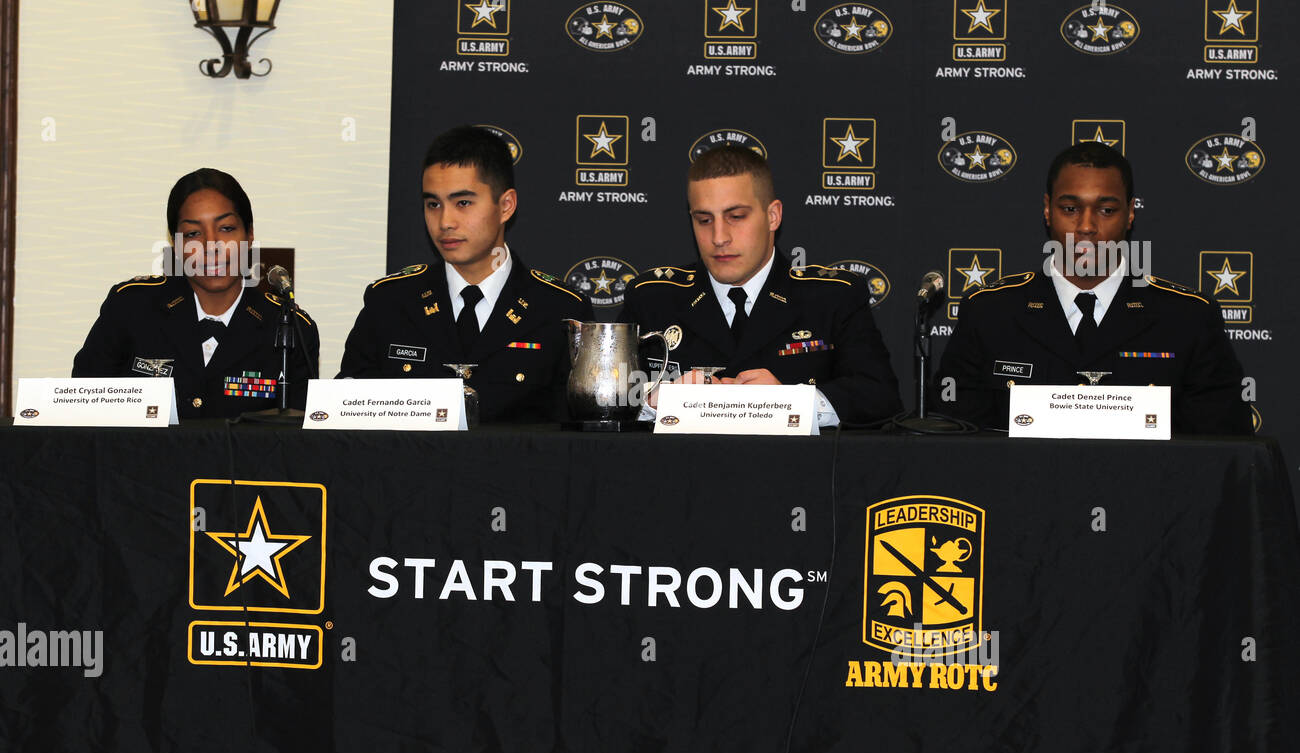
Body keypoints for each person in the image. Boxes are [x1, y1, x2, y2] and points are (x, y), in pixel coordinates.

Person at [934, 143, 1252, 435]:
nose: (1086, 226)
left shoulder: (1187, 317)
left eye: (1106, 210)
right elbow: (952, 441)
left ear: (1130, 213)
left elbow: (1223, 451)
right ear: (1047, 210)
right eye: (1070, 209)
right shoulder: (991, 312)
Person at [620, 145, 901, 427]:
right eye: (704, 220)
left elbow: (880, 397)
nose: (719, 237)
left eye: (736, 216)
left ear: (773, 216)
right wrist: (653, 400)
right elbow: (598, 399)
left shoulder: (832, 297)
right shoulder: (653, 299)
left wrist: (790, 403)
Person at [337, 125, 591, 423]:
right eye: (433, 204)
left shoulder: (560, 310)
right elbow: (348, 418)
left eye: (463, 203)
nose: (445, 221)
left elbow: (579, 441)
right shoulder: (390, 302)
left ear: (506, 206)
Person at [73, 169, 319, 418]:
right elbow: (83, 414)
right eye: (193, 234)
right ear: (175, 243)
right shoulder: (131, 308)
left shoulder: (289, 326)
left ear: (249, 234)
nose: (211, 246)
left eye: (226, 228)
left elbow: (296, 443)